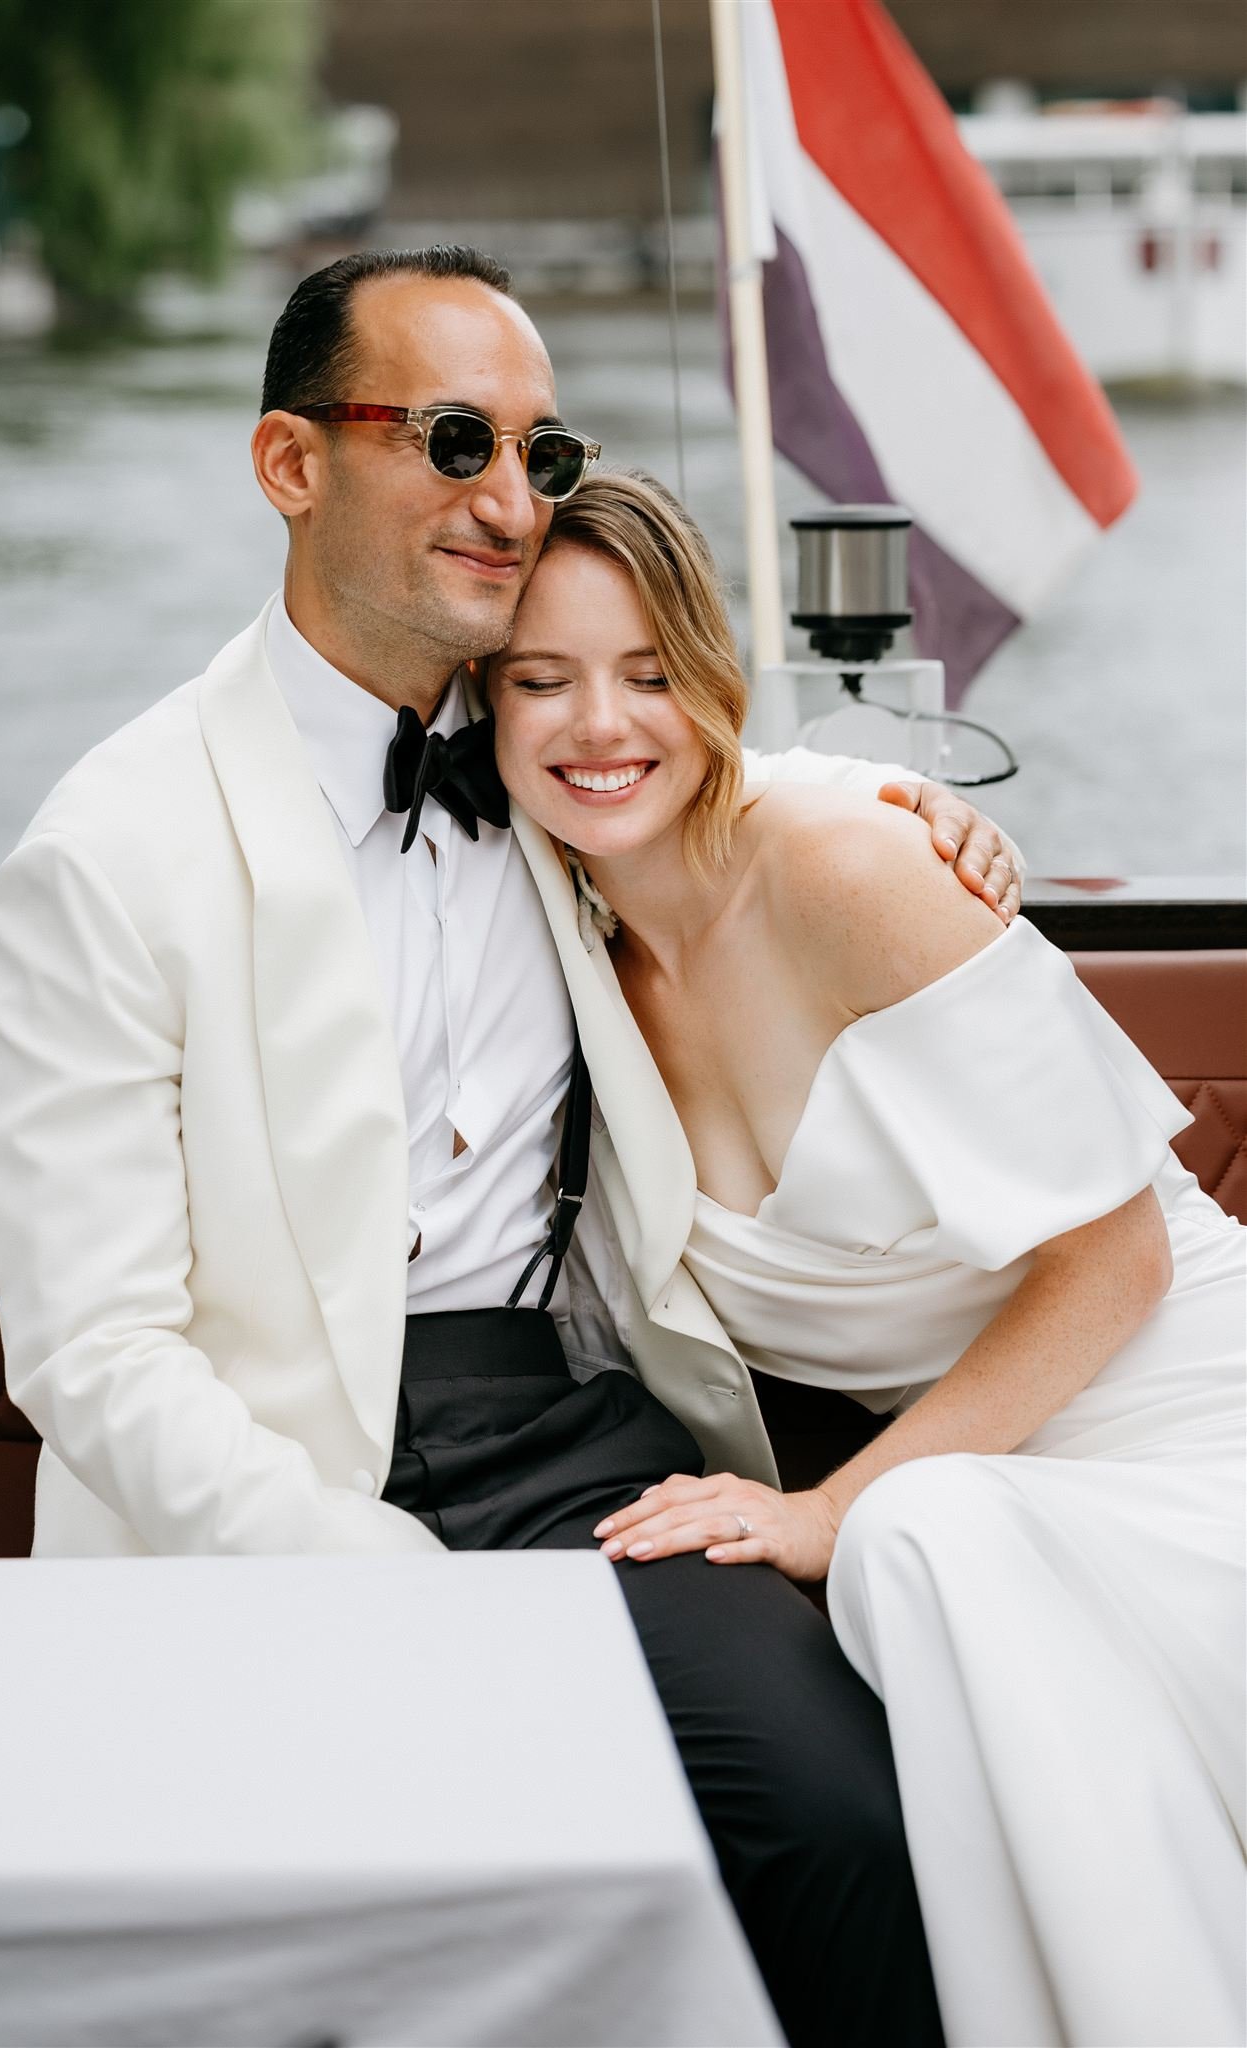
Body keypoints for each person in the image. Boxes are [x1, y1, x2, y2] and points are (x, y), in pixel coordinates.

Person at [0, 247, 1018, 2046]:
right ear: (290, 466)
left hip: (565, 1431)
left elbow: (715, 779)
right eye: (454, 438)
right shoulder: (106, 850)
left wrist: (911, 809)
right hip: (274, 1463)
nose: (510, 500)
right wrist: (364, 1575)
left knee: (847, 1813)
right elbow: (93, 1353)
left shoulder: (552, 752)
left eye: (544, 448)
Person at [486, 466, 1247, 2048]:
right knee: (933, 1544)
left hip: (1176, 1415)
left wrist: (831, 1510)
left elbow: (1117, 1269)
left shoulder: (852, 863)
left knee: (916, 1547)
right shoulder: (543, 934)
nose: (595, 726)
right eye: (537, 681)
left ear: (709, 679)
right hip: (992, 1461)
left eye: (643, 674)